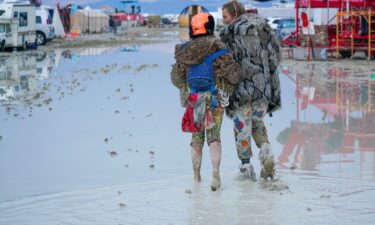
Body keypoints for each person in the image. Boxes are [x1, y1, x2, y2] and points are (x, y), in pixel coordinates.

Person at [171, 12, 240, 191]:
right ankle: (216, 173)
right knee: (214, 136)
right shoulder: (218, 47)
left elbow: (175, 78)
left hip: (194, 100)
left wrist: (187, 90)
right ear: (210, 27)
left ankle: (196, 178)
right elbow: (234, 75)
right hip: (215, 99)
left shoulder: (184, 50)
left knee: (196, 139)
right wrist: (226, 86)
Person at [219, 1, 282, 181]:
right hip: (262, 88)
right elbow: (275, 58)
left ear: (235, 15)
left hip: (240, 90)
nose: (223, 21)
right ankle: (266, 152)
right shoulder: (264, 29)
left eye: (225, 17)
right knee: (257, 123)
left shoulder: (228, 34)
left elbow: (225, 66)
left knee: (242, 128)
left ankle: (246, 167)